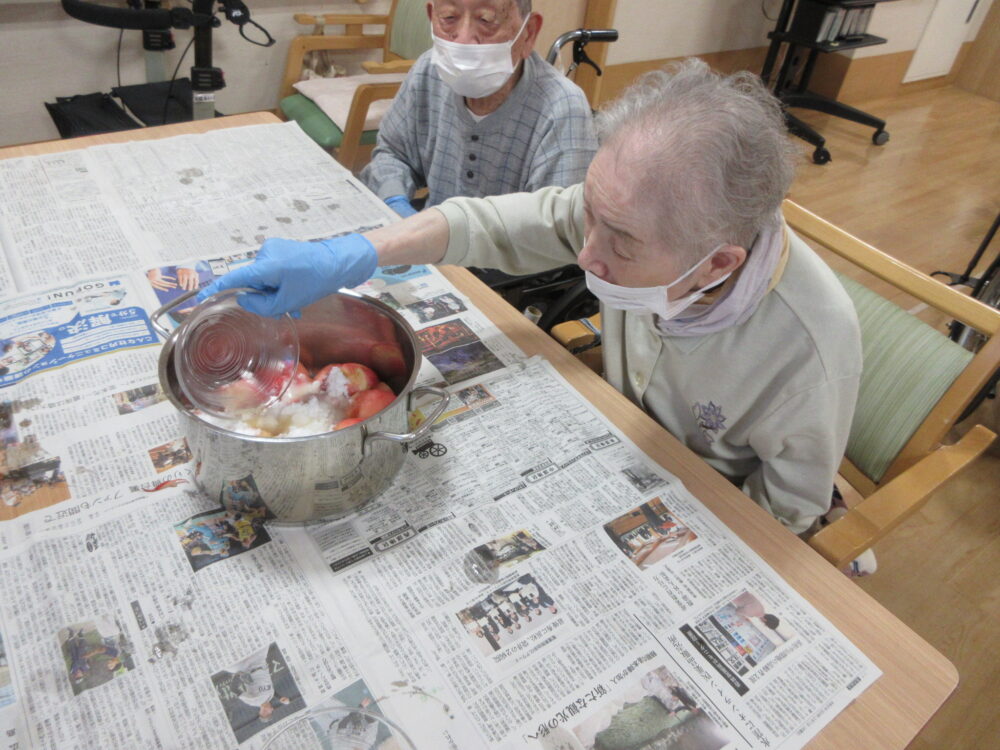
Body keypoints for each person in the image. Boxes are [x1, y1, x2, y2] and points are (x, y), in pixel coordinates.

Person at [198, 60, 863, 553]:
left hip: (700, 498)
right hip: (621, 430)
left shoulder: (809, 349)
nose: (586, 253)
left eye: (620, 241)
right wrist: (357, 252)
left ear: (718, 263)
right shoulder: (642, 217)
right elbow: (496, 223)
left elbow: (789, 511)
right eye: (591, 216)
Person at [360, 0, 598, 217]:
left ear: (528, 34)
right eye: (449, 17)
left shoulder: (563, 109)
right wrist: (394, 200)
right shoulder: (427, 73)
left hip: (507, 261)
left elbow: (556, 232)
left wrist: (449, 238)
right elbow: (393, 153)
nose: (463, 40)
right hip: (430, 245)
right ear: (432, 16)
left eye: (486, 20)